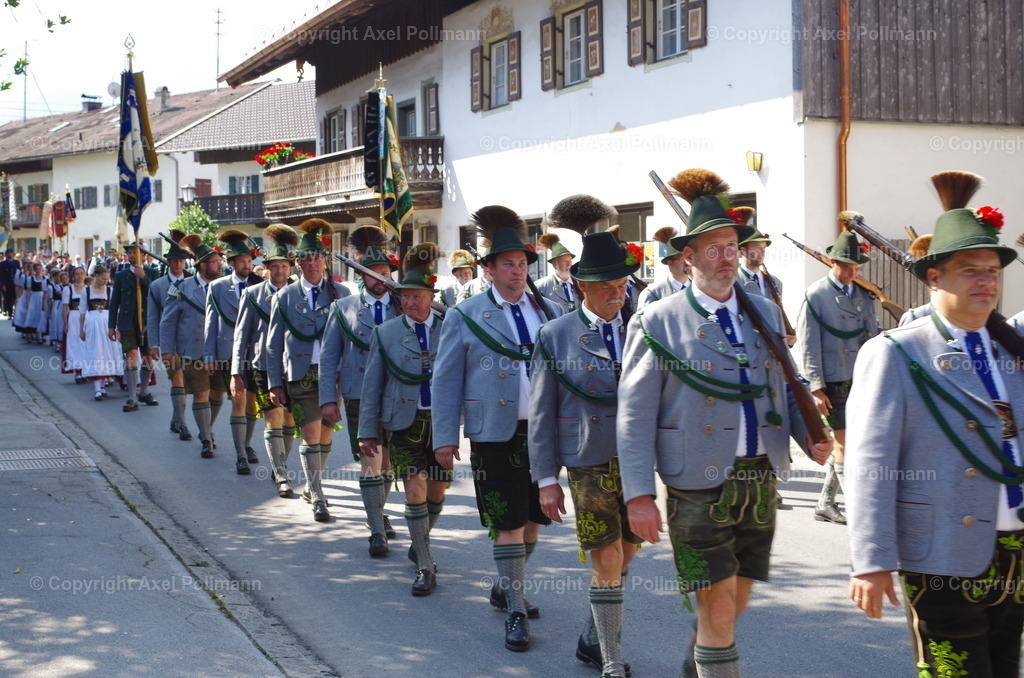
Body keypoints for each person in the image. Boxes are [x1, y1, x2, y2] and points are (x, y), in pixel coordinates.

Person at [618, 168, 831, 678]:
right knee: (715, 608)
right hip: (694, 484)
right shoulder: (657, 319)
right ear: (687, 257)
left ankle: (700, 662)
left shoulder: (763, 310)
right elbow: (635, 412)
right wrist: (638, 495)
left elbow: (781, 383)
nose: (727, 256)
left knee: (735, 600)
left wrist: (810, 437)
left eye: (732, 245)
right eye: (712, 248)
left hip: (760, 479)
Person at [847, 170, 1024, 677]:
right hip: (941, 550)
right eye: (970, 270)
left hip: (1012, 547)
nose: (986, 282)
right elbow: (871, 463)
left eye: (993, 271)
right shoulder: (897, 353)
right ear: (934, 278)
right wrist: (871, 558)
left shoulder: (1010, 349)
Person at [432, 206, 563, 652]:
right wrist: (445, 436)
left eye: (523, 263)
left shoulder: (549, 308)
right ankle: (515, 608)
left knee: (532, 521)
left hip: (543, 433)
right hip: (493, 434)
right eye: (508, 264)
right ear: (488, 269)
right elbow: (445, 379)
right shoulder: (465, 314)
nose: (518, 271)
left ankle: (507, 584)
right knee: (507, 521)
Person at [529, 223, 644, 678]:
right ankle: (610, 657)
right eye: (607, 287)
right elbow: (540, 412)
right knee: (608, 555)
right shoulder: (556, 334)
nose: (618, 294)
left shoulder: (641, 328)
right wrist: (545, 481)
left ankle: (592, 635)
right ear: (581, 287)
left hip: (635, 460)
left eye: (622, 285)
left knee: (628, 553)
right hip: (586, 458)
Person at [355, 243, 446, 596]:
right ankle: (425, 564)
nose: (410, 302)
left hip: (440, 424)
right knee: (414, 490)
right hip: (402, 423)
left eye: (417, 296)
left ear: (430, 296)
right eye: (405, 296)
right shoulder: (386, 333)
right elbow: (372, 383)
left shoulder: (450, 326)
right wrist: (367, 431)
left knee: (437, 493)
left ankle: (419, 540)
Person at [320, 226, 398, 550]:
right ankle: (377, 530)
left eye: (385, 272)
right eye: (373, 273)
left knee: (389, 464)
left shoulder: (402, 306)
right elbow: (328, 358)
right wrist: (328, 399)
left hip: (397, 396)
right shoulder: (343, 308)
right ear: (361, 277)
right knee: (370, 461)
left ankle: (377, 512)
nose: (379, 278)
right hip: (359, 395)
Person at [267, 218, 350, 523]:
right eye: (305, 258)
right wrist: (275, 383)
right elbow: (273, 345)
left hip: (335, 376)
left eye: (316, 257)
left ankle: (312, 485)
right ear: (297, 263)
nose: (311, 263)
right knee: (310, 432)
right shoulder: (284, 297)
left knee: (327, 434)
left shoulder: (342, 294)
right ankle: (317, 494)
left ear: (325, 260)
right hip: (300, 375)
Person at [794, 229, 878, 525]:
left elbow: (872, 337)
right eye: (846, 266)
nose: (851, 272)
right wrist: (815, 387)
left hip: (861, 379)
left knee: (851, 444)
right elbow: (808, 343)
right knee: (844, 444)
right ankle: (857, 509)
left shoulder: (865, 296)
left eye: (856, 267)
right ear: (832, 262)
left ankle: (825, 503)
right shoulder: (816, 295)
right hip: (833, 382)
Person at [233, 224, 299, 498]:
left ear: (290, 268)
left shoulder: (300, 293)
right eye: (276, 266)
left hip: (295, 366)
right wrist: (236, 372)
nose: (280, 271)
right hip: (261, 365)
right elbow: (241, 335)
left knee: (290, 421)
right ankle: (281, 474)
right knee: (272, 418)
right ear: (268, 268)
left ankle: (279, 462)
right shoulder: (252, 294)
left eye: (285, 266)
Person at [160, 235, 227, 459]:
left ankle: (207, 428)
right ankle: (206, 438)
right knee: (201, 393)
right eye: (215, 262)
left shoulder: (226, 287)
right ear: (202, 265)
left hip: (220, 351)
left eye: (220, 261)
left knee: (218, 393)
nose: (220, 265)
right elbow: (167, 321)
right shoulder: (182, 287)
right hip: (192, 350)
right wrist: (167, 350)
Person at [205, 230, 264, 475]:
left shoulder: (260, 285)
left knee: (252, 405)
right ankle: (240, 454)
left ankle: (248, 444)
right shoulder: (218, 287)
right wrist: (208, 355)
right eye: (241, 262)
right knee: (237, 402)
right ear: (231, 264)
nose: (247, 266)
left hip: (255, 353)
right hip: (229, 352)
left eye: (250, 262)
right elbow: (210, 322)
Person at [147, 231, 194, 440]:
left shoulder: (195, 282)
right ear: (167, 262)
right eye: (174, 260)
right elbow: (152, 317)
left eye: (181, 260)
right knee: (177, 379)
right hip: (169, 341)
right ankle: (183, 424)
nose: (177, 264)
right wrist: (154, 344)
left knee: (191, 384)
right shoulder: (157, 286)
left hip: (192, 340)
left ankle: (176, 418)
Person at [108, 243, 161, 412]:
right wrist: (111, 325)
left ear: (144, 256)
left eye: (135, 253)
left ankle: (144, 391)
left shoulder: (153, 273)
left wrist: (143, 277)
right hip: (127, 323)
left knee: (147, 357)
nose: (131, 256)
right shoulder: (121, 275)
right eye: (129, 253)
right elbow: (114, 301)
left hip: (147, 322)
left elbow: (157, 295)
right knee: (130, 356)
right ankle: (132, 397)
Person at [79, 266, 124, 400]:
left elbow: (116, 311)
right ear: (96, 276)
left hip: (107, 325)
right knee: (95, 353)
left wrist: (118, 329)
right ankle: (97, 388)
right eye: (103, 278)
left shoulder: (110, 291)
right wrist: (81, 329)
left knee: (107, 354)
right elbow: (82, 312)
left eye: (107, 278)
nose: (106, 280)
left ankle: (103, 384)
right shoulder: (86, 291)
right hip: (92, 325)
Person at [636, 226, 690, 310]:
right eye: (682, 259)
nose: (688, 262)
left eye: (689, 258)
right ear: (670, 263)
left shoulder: (701, 289)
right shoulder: (653, 293)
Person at [535, 232, 577, 313]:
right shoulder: (541, 286)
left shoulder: (579, 283)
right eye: (565, 261)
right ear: (554, 264)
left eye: (570, 261)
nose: (569, 265)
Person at [62, 266, 87, 381]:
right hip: (73, 317)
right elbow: (65, 308)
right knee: (74, 344)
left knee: (85, 344)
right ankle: (77, 370)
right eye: (77, 274)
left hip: (86, 318)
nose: (80, 276)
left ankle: (86, 369)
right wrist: (65, 323)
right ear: (73, 276)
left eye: (82, 273)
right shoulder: (68, 289)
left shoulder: (88, 289)